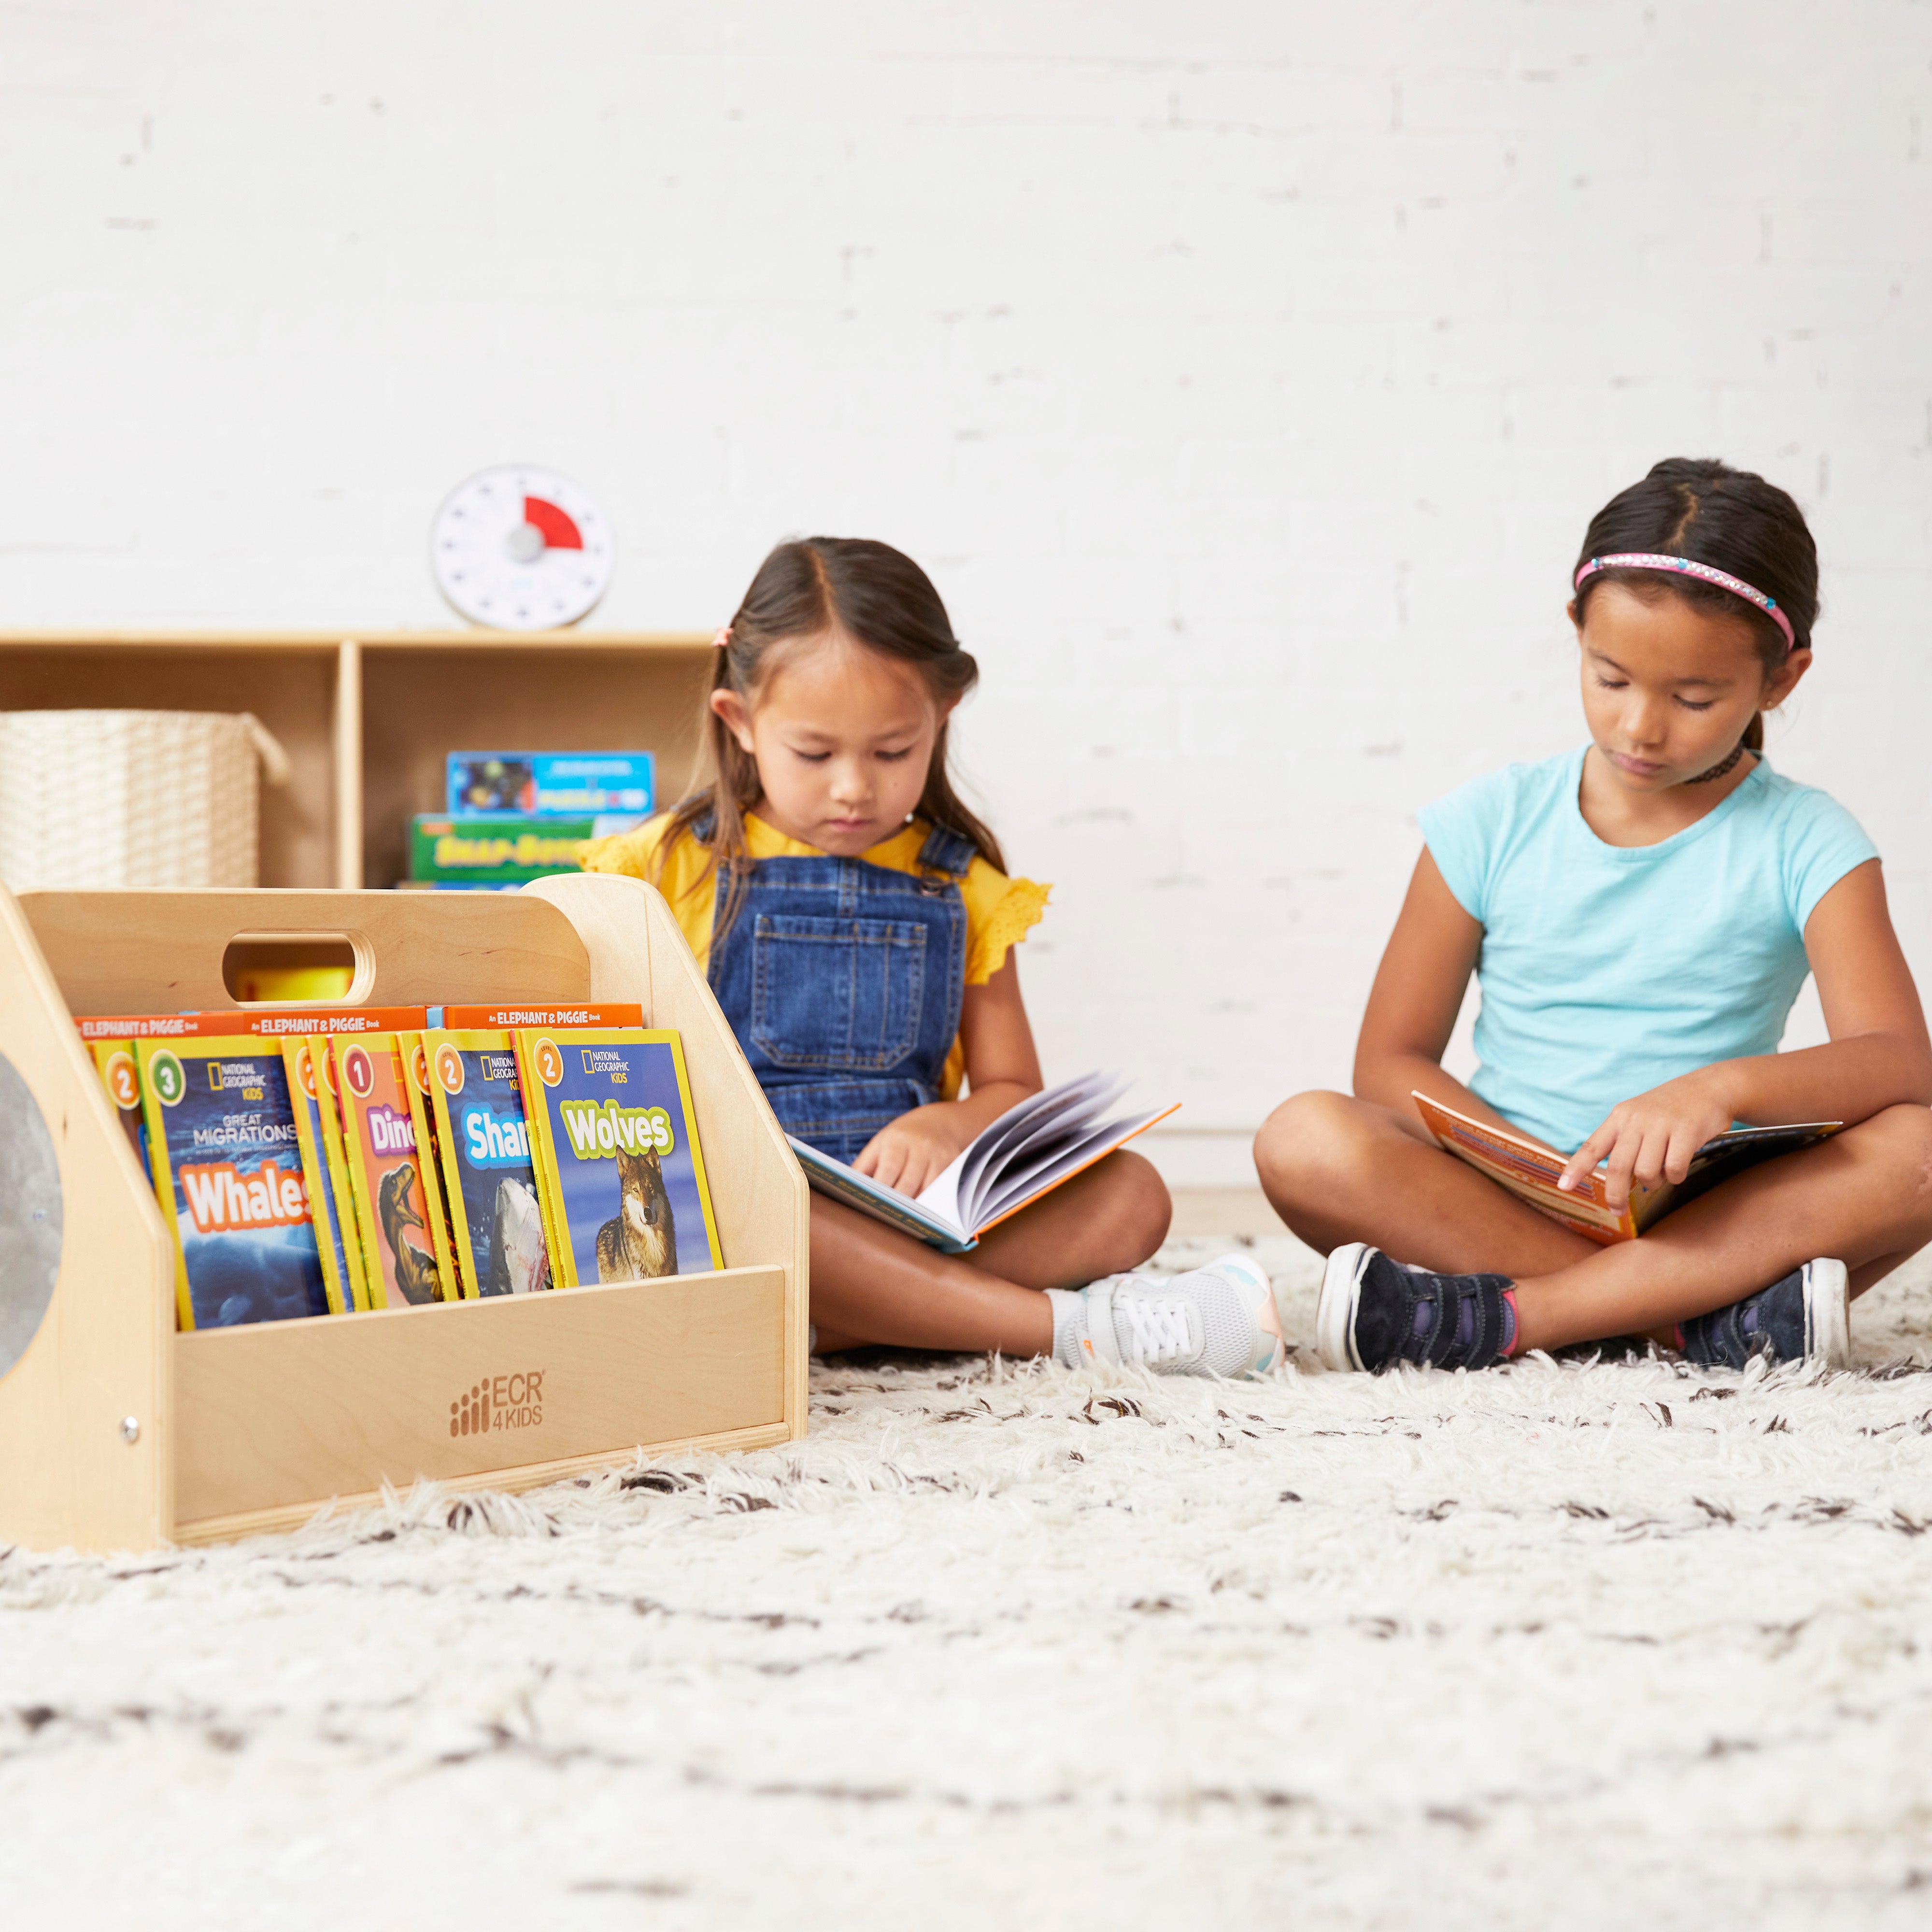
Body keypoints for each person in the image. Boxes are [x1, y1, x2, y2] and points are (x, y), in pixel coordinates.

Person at [1254, 458, 1932, 1374]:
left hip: (1717, 1211)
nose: (1641, 730)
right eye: (1611, 680)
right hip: (1509, 1194)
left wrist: (1717, 1091)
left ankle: (1520, 1318)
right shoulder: (1490, 820)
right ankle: (1696, 1319)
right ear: (1576, 630)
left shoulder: (1808, 838)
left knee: (1923, 1147)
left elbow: (1897, 1061)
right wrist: (1529, 1168)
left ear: (1782, 681)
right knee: (1303, 1137)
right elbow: (1389, 1064)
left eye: (1695, 700)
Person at [584, 536, 1281, 1376]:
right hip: (761, 1209)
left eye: (892, 752)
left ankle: (835, 1318)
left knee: (1132, 1194)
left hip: (914, 1216)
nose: (854, 786)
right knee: (763, 1213)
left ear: (938, 722)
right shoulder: (663, 870)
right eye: (816, 754)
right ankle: (1067, 1332)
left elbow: (1012, 1089)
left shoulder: (964, 887)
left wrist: (945, 1125)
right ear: (740, 722)